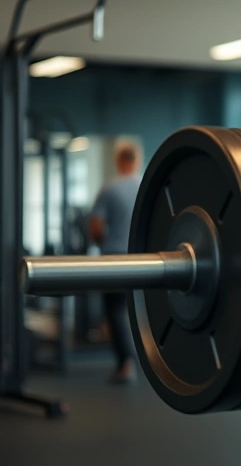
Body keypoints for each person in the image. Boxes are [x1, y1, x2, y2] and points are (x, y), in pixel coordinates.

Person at [88, 140, 143, 385]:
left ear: (119, 161)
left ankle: (126, 364)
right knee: (141, 312)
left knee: (116, 311)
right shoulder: (146, 185)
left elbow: (96, 228)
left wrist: (102, 241)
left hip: (115, 257)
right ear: (137, 160)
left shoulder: (109, 189)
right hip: (145, 260)